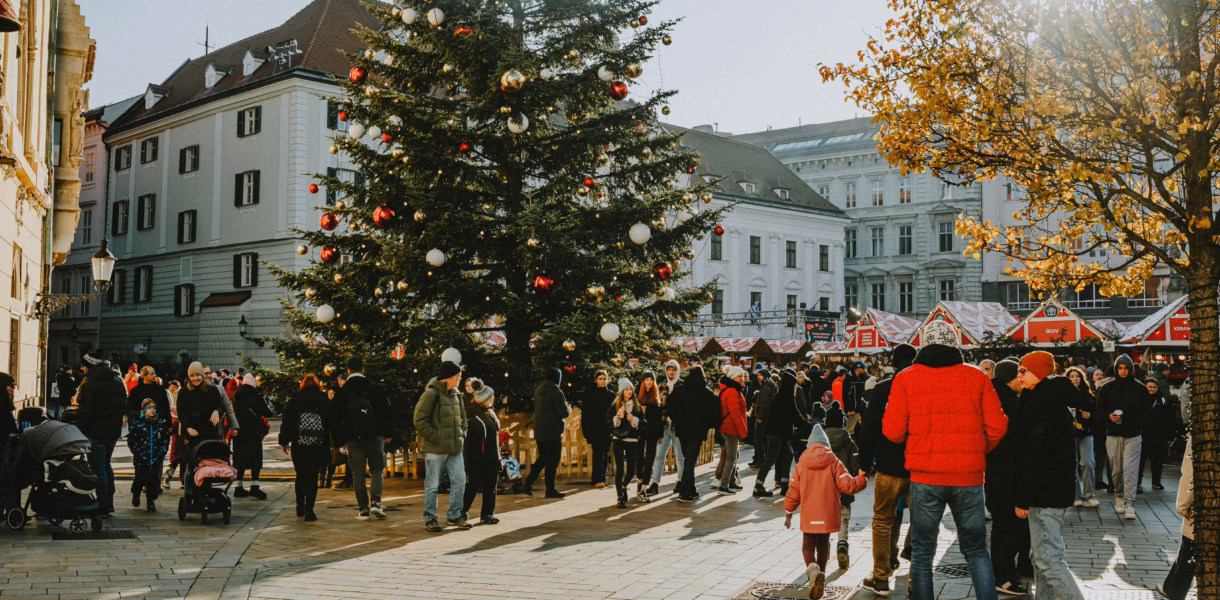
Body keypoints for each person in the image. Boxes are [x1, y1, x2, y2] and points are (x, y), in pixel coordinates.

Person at [883, 321, 1007, 600]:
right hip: (969, 477)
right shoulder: (977, 377)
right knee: (976, 550)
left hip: (925, 476)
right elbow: (998, 426)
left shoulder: (906, 378)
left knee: (923, 552)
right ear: (955, 344)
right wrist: (975, 448)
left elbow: (892, 431)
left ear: (924, 344)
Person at [1013, 351, 1086, 600]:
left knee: (1048, 559)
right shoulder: (1042, 397)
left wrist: (1022, 497)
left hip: (1045, 492)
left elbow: (1033, 456)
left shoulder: (1042, 403)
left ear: (1040, 373)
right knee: (1041, 557)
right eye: (1018, 371)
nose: (1019, 375)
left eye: (1024, 370)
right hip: (1050, 490)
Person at [784, 424, 868, 600]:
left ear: (810, 445)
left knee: (807, 545)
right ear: (826, 444)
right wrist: (863, 478)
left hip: (809, 514)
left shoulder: (801, 464)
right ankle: (820, 574)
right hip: (827, 514)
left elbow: (793, 490)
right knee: (823, 544)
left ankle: (813, 571)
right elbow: (848, 485)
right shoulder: (834, 462)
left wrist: (788, 510)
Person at [858, 343, 917, 598]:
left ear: (894, 363)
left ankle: (880, 577)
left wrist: (863, 465)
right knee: (922, 522)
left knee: (883, 519)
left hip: (889, 464)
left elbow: (869, 429)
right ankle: (918, 578)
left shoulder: (883, 389)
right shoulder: (924, 386)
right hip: (920, 465)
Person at [984, 359, 1030, 596]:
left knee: (1004, 526)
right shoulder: (1010, 403)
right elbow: (1015, 443)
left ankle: (1005, 573)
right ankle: (1003, 576)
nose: (1023, 378)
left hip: (995, 472)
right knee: (1008, 527)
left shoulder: (993, 396)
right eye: (1020, 374)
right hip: (1007, 473)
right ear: (1011, 378)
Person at [338, 356, 394, 521]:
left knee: (357, 474)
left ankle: (363, 509)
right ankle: (376, 502)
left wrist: (340, 440)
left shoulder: (344, 391)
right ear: (363, 369)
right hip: (374, 435)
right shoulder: (374, 388)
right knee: (377, 469)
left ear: (348, 370)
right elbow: (385, 411)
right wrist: (387, 432)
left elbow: (336, 417)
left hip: (353, 438)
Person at [414, 361, 467, 529]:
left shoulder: (456, 394)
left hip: (455, 448)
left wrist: (462, 434)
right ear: (450, 377)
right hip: (436, 448)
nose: (460, 379)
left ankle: (454, 515)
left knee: (460, 480)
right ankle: (430, 518)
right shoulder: (431, 393)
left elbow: (464, 419)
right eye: (458, 376)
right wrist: (436, 437)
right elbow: (419, 420)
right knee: (432, 484)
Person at [76, 352, 129, 516]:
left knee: (98, 468)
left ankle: (103, 505)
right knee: (105, 465)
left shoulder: (90, 384)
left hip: (95, 431)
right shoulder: (117, 382)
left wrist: (79, 429)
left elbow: (86, 411)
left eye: (83, 366)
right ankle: (109, 502)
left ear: (90, 366)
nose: (82, 369)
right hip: (112, 432)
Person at [1095, 354, 1145, 519]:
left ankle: (1130, 504)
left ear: (1131, 369)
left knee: (1130, 470)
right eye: (1120, 368)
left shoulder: (1140, 388)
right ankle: (1119, 495)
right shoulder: (1107, 388)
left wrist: (1138, 423)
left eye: (1126, 368)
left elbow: (1148, 413)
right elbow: (1099, 411)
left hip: (1133, 434)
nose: (1123, 371)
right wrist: (1109, 416)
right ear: (1116, 369)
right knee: (1116, 470)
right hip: (1113, 434)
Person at [278, 374, 330, 521]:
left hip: (298, 443)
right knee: (312, 475)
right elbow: (329, 421)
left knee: (301, 474)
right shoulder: (323, 398)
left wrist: (284, 441)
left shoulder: (296, 398)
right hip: (318, 444)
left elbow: (287, 421)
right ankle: (310, 510)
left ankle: (299, 507)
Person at [667, 365, 716, 503]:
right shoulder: (706, 392)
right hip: (697, 432)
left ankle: (691, 488)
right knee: (690, 460)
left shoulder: (679, 390)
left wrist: (677, 420)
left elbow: (669, 407)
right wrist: (706, 424)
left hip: (682, 431)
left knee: (688, 460)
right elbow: (713, 412)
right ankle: (684, 491)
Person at [823, 403, 860, 570]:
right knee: (843, 517)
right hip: (843, 486)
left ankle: (823, 550)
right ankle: (842, 543)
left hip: (823, 488)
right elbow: (855, 466)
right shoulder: (848, 441)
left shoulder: (820, 441)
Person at [524, 367, 570, 498]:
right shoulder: (557, 392)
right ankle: (550, 490)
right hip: (553, 431)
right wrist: (568, 407)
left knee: (543, 458)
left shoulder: (538, 390)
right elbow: (563, 412)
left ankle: (528, 483)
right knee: (552, 461)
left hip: (540, 431)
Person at [1158, 435, 1195, 599]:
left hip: (1206, 506)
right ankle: (1170, 586)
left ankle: (1173, 591)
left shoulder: (1202, 430)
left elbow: (1189, 473)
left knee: (1190, 546)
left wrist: (1183, 505)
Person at [461, 379, 500, 525]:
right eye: (491, 397)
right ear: (484, 398)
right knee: (473, 485)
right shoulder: (472, 413)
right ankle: (463, 511)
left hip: (491, 456)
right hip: (477, 457)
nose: (493, 399)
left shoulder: (489, 411)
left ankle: (487, 513)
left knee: (491, 485)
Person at [755, 370, 799, 498]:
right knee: (771, 458)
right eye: (794, 385)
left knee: (786, 456)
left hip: (779, 433)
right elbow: (795, 416)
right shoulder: (786, 397)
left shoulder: (780, 396)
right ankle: (758, 486)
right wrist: (809, 427)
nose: (795, 387)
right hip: (778, 434)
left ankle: (785, 486)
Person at [1062, 366, 1100, 508]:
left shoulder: (1088, 395)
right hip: (1069, 434)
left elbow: (1097, 415)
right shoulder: (1063, 396)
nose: (1075, 379)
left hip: (1086, 433)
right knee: (1073, 464)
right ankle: (1077, 495)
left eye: (1077, 376)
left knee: (1088, 463)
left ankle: (1090, 495)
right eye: (1071, 376)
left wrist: (1091, 416)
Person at [231, 374, 273, 499]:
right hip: (253, 432)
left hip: (239, 432)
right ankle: (254, 487)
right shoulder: (256, 396)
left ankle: (238, 487)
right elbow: (268, 413)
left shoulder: (236, 396)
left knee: (241, 459)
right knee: (255, 459)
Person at [128, 399, 170, 512]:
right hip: (141, 459)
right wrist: (137, 452)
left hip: (156, 458)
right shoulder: (138, 424)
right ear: (144, 410)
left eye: (154, 408)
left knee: (154, 481)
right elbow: (132, 440)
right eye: (149, 408)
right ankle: (136, 494)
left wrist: (162, 451)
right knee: (139, 478)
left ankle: (151, 501)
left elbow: (166, 439)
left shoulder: (160, 424)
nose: (152, 410)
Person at [609, 378, 646, 509]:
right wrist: (616, 418)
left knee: (631, 470)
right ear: (621, 391)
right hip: (618, 439)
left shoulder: (636, 406)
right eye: (626, 389)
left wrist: (633, 419)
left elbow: (643, 424)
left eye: (630, 389)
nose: (629, 391)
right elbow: (607, 422)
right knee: (619, 469)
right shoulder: (615, 405)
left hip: (632, 440)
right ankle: (620, 497)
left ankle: (623, 486)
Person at [649, 360, 683, 496]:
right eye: (669, 369)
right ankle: (655, 483)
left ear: (677, 371)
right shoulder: (661, 385)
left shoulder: (682, 385)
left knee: (680, 456)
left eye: (673, 370)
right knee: (659, 455)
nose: (671, 372)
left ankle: (681, 481)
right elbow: (656, 406)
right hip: (664, 426)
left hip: (678, 426)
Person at [716, 366, 748, 495]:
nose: (742, 378)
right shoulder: (733, 391)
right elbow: (736, 413)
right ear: (733, 377)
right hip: (731, 428)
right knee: (731, 457)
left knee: (734, 456)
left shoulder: (730, 389)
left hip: (727, 427)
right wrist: (743, 432)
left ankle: (731, 482)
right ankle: (723, 486)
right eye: (739, 376)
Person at [1139, 377, 1174, 492]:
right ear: (1145, 387)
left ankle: (1156, 482)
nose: (1152, 389)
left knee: (1157, 459)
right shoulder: (1140, 398)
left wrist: (1167, 434)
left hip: (1158, 434)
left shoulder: (1162, 400)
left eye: (1154, 387)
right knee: (1140, 460)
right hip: (1143, 434)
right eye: (1150, 387)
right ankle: (1138, 481)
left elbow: (1168, 417)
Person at [582, 370, 615, 489]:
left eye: (604, 378)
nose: (602, 381)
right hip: (595, 429)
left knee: (605, 455)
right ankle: (596, 479)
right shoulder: (590, 395)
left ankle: (602, 477)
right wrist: (587, 432)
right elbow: (585, 415)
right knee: (597, 455)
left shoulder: (611, 395)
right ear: (596, 380)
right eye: (600, 379)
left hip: (607, 429)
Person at [635, 371, 661, 502]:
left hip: (652, 432)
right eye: (647, 380)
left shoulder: (656, 397)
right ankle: (639, 481)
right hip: (639, 432)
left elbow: (659, 418)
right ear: (642, 382)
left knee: (650, 458)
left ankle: (644, 486)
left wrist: (660, 434)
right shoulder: (637, 397)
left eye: (651, 380)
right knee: (639, 458)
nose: (649, 382)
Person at [750, 368, 776, 470]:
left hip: (763, 418)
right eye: (758, 375)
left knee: (758, 439)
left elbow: (764, 404)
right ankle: (757, 459)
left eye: (760, 375)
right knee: (759, 439)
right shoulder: (766, 386)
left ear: (765, 376)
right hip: (765, 417)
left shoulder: (765, 388)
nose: (758, 377)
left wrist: (760, 417)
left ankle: (759, 461)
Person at [843, 361, 869, 434]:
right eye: (863, 367)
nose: (864, 369)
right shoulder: (849, 379)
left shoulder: (863, 377)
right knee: (850, 430)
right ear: (857, 369)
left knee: (860, 430)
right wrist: (849, 409)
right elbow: (846, 395)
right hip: (852, 410)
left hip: (861, 408)